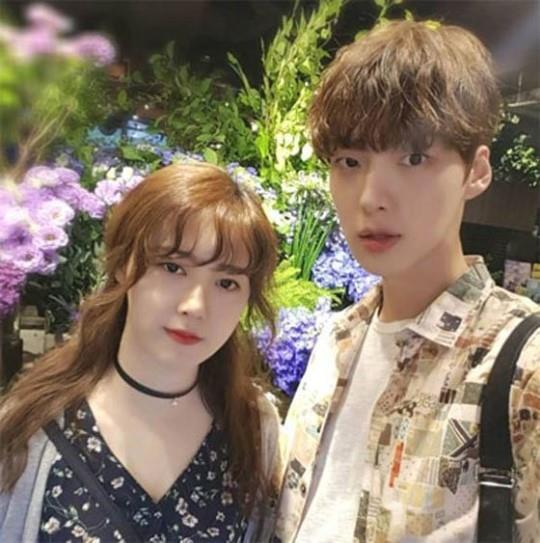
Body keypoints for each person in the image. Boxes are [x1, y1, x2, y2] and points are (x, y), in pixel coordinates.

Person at [273, 20, 540, 543]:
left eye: (414, 158)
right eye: (350, 161)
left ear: (476, 171)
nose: (372, 197)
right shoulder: (338, 340)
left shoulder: (522, 369)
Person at [0, 163, 282, 542]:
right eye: (172, 267)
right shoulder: (31, 427)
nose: (195, 306)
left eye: (227, 283)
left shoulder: (253, 429)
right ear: (123, 264)